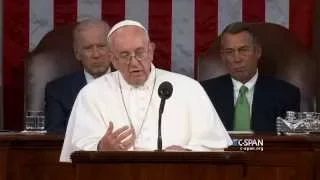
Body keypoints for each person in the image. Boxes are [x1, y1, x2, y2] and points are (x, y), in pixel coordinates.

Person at [60, 20, 232, 162]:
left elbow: (216, 147)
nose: (134, 63)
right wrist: (101, 148)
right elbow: (74, 153)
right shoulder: (91, 94)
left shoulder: (189, 89)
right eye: (125, 55)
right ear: (112, 59)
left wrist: (187, 152)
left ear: (151, 51)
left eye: (140, 53)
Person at [201, 22, 300, 133]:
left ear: (258, 52)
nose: (237, 59)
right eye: (229, 52)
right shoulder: (204, 93)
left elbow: (290, 145)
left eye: (243, 50)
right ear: (223, 57)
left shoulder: (287, 95)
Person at [45, 19, 112, 134]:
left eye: (101, 46)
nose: (96, 54)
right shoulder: (57, 90)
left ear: (112, 49)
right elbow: (54, 135)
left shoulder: (129, 83)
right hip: (79, 151)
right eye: (88, 48)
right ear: (77, 54)